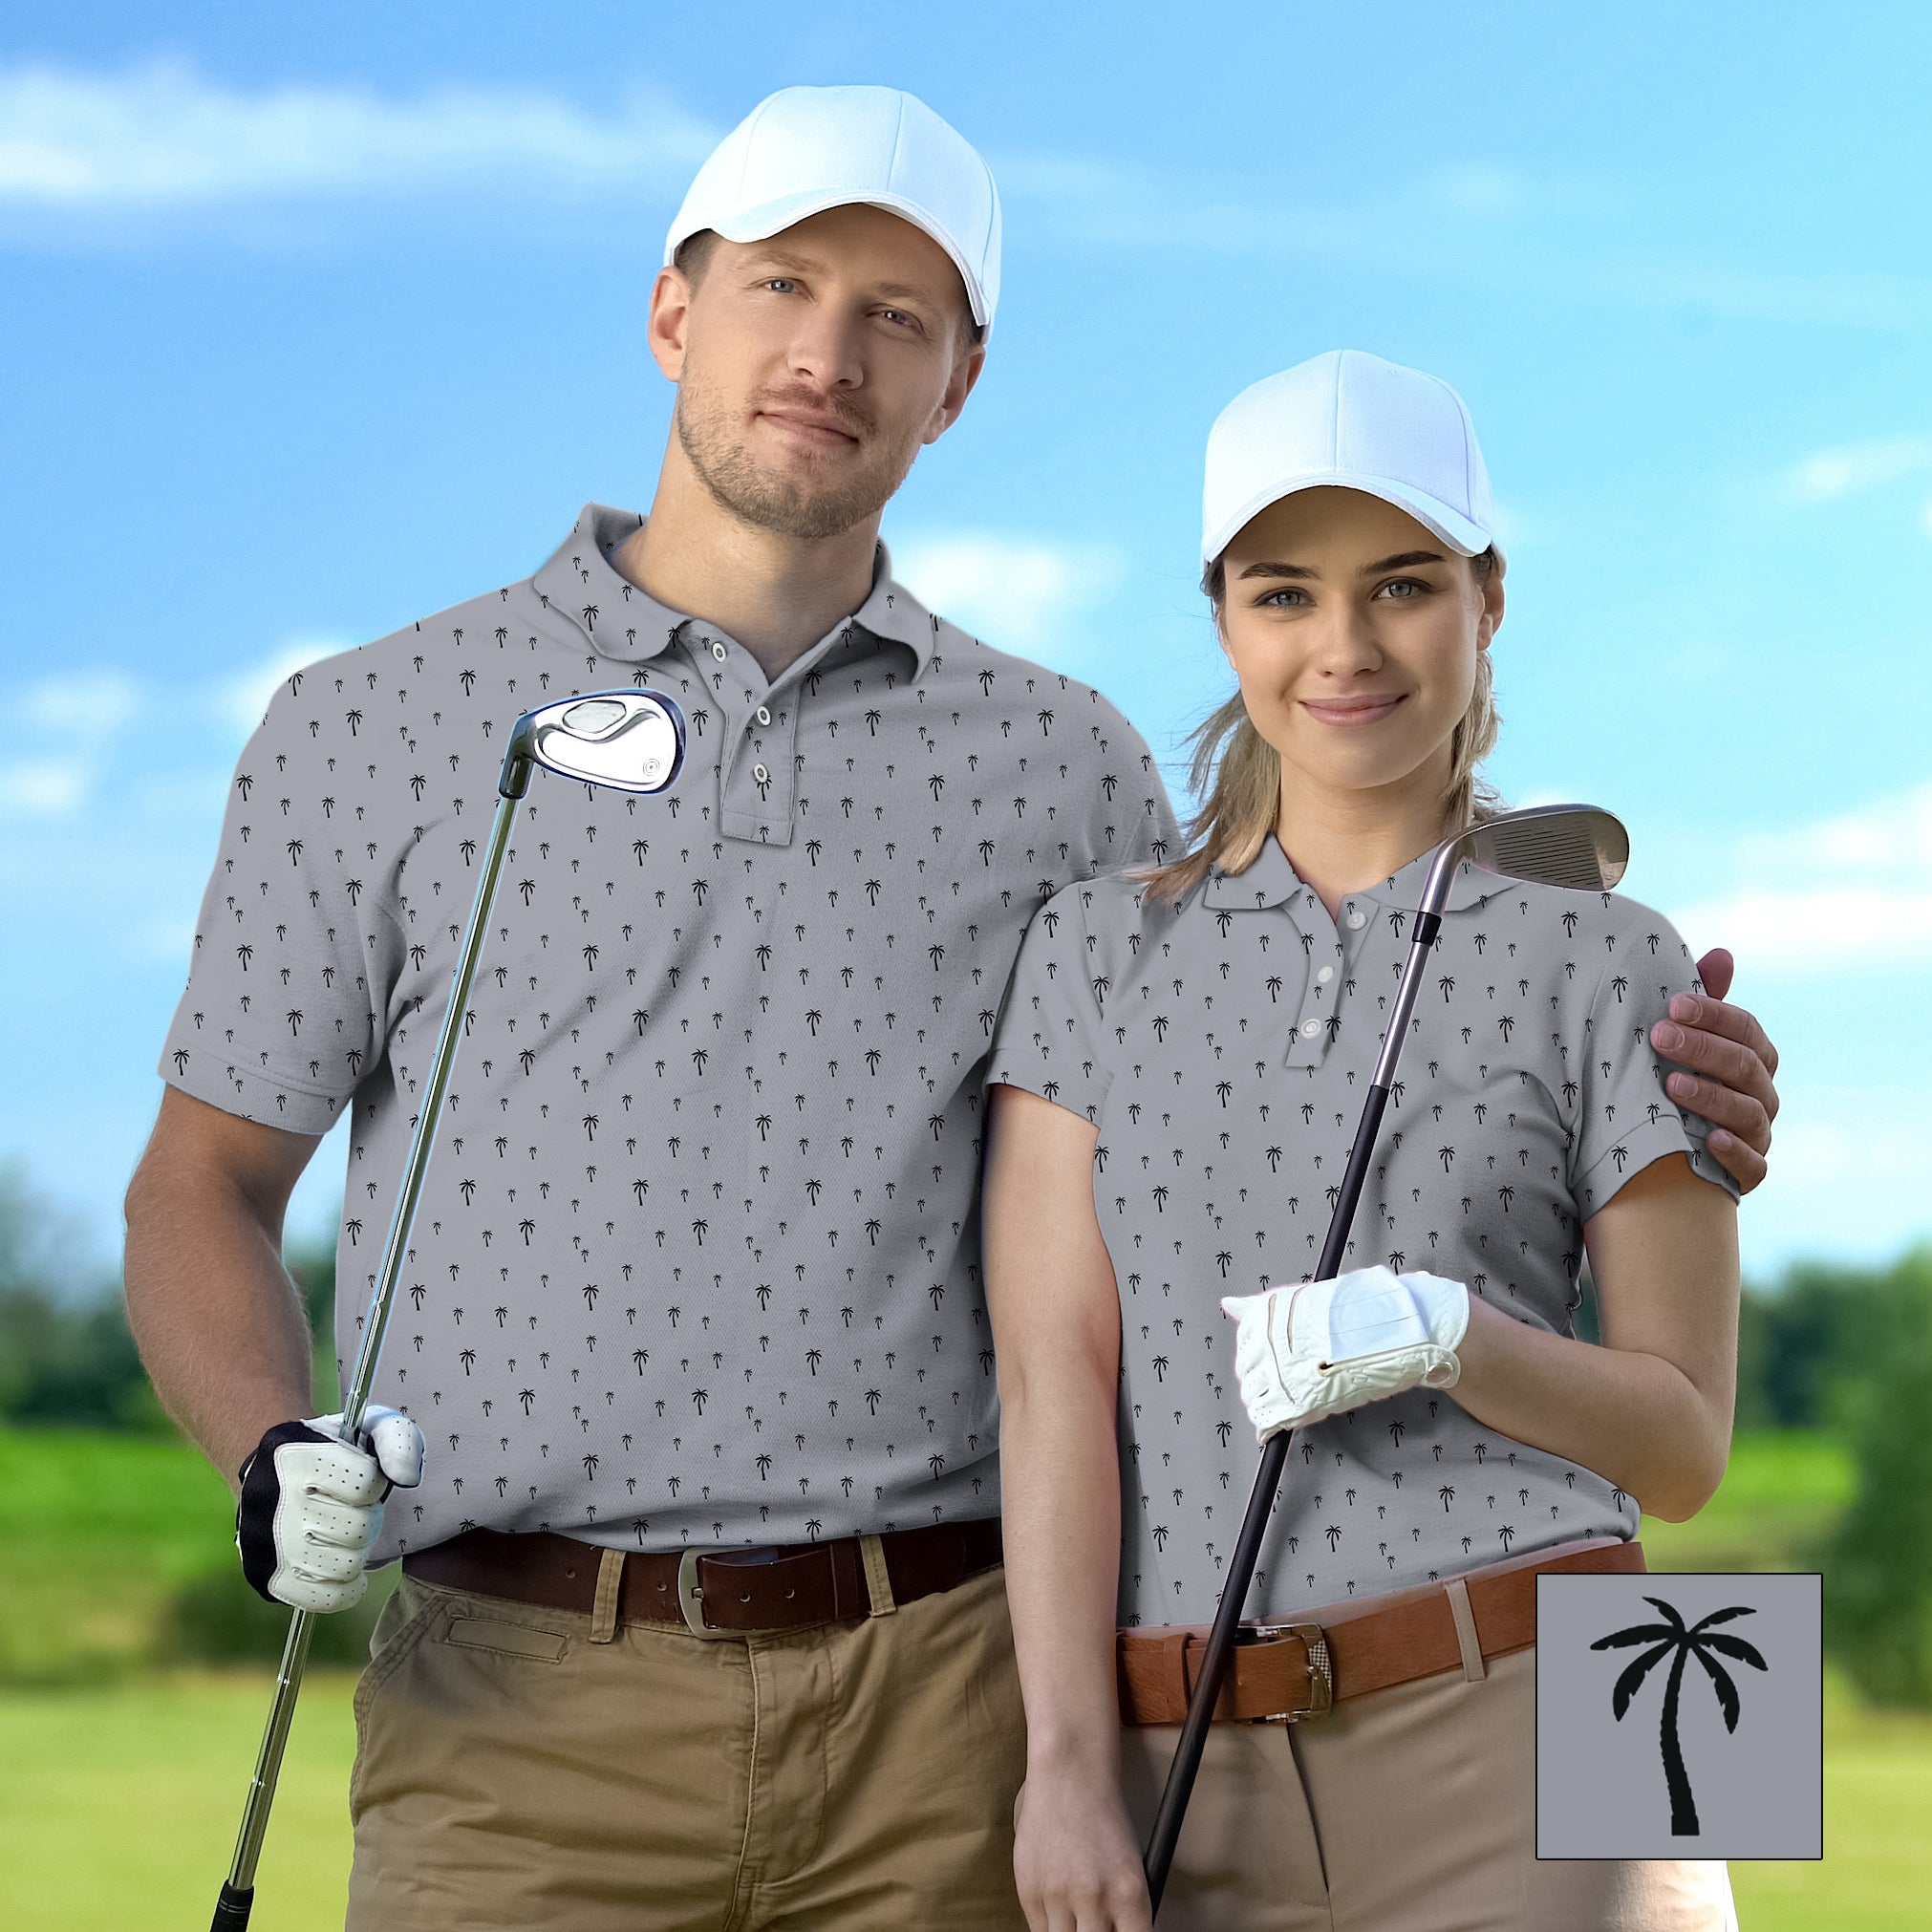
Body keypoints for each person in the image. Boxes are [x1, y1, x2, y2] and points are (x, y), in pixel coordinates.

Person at [118, 83, 1779, 1928]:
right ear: (673, 310)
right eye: (780, 287)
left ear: (960, 379)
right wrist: (269, 1453)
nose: (827, 355)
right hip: (516, 1704)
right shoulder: (368, 723)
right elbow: (199, 1185)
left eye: (894, 316)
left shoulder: (1063, 763)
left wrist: (1639, 1045)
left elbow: (1641, 1415)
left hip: (971, 1697)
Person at [983, 351, 1756, 1929]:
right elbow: (1049, 1377)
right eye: (1283, 594)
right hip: (1186, 1754)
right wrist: (1061, 1761)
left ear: (1485, 599)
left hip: (1577, 1692)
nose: (1343, 647)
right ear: (1220, 617)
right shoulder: (1088, 952)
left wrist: (1444, 1334)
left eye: (1401, 585)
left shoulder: (1616, 953)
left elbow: (1683, 1454)